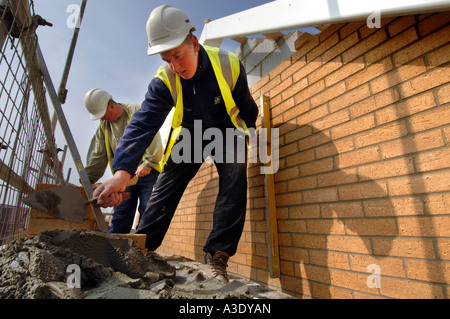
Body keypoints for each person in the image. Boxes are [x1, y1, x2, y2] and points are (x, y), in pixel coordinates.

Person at [92, 5, 258, 283]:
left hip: (227, 131)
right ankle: (140, 250)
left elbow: (247, 108)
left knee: (234, 180)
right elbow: (143, 124)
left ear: (194, 43)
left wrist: (250, 134)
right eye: (166, 58)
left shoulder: (228, 64)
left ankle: (218, 257)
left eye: (178, 56)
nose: (175, 66)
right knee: (166, 188)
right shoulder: (164, 80)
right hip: (191, 135)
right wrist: (121, 174)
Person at [84, 88, 163, 234]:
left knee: (148, 210)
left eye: (103, 114)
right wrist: (86, 180)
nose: (102, 119)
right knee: (121, 213)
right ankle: (115, 251)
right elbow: (97, 156)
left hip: (146, 173)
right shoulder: (104, 127)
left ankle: (144, 250)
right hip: (123, 177)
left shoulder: (137, 111)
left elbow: (153, 139)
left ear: (111, 105)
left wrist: (148, 163)